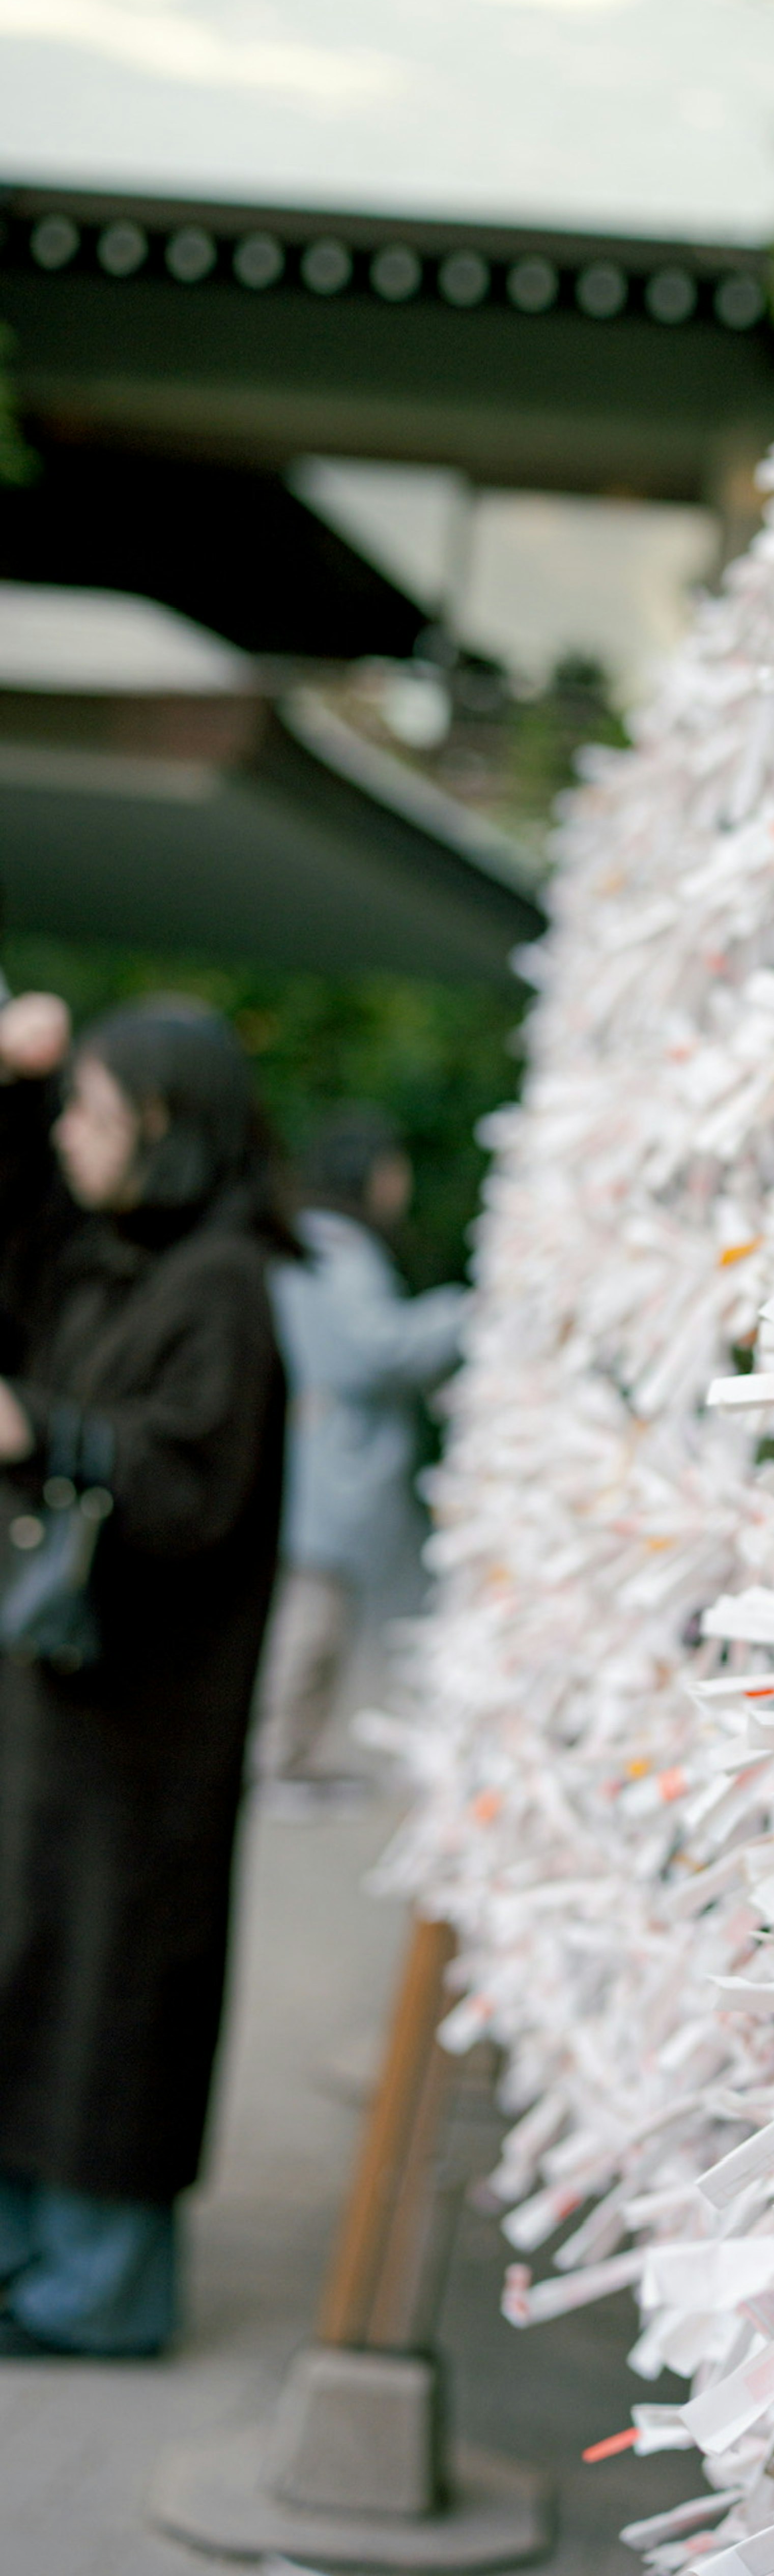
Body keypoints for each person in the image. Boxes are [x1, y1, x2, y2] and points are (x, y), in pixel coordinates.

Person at [0, 992, 291, 2357]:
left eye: (94, 1114)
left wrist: (42, 1431)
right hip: (73, 1715)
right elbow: (22, 1214)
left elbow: (192, 1491)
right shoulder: (124, 1253)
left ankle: (99, 2296)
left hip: (147, 1730)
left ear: (161, 1130)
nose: (70, 1137)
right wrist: (25, 1076)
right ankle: (42, 2271)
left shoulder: (222, 1286)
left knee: (112, 1997)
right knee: (41, 1978)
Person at [251, 1107, 467, 1797]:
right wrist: (461, 1311)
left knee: (317, 1617)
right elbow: (377, 1348)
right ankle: (276, 1761)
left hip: (316, 1457)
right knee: (309, 1621)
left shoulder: (313, 1242)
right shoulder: (341, 1250)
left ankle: (293, 1756)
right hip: (328, 1463)